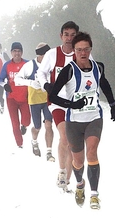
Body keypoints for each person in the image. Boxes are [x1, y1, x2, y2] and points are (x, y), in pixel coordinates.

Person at [49, 32, 115, 209]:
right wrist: (72, 104)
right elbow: (52, 95)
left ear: (90, 49)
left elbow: (104, 84)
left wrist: (113, 105)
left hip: (94, 118)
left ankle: (95, 195)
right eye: (79, 50)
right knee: (78, 161)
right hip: (73, 122)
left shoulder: (99, 67)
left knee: (92, 153)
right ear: (73, 51)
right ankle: (80, 184)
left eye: (86, 49)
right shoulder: (69, 70)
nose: (83, 53)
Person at [37, 21, 83, 190]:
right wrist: (46, 85)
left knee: (73, 142)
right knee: (65, 137)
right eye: (66, 34)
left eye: (73, 35)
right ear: (61, 36)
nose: (69, 38)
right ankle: (62, 171)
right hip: (56, 102)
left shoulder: (82, 53)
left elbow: (93, 72)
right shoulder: (52, 54)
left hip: (76, 103)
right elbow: (41, 72)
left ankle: (67, 179)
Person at [14, 42, 55, 160]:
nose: (48, 57)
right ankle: (34, 141)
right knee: (37, 127)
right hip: (34, 100)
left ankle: (49, 152)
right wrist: (31, 82)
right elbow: (17, 79)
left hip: (48, 99)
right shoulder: (30, 65)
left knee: (48, 125)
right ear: (40, 55)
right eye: (46, 55)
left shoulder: (52, 64)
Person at [0, 42, 31, 148]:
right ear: (11, 52)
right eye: (15, 51)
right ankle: (19, 143)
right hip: (11, 97)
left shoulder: (28, 64)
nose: (17, 53)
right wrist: (5, 85)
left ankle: (24, 126)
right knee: (14, 122)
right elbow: (0, 80)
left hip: (24, 97)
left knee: (27, 120)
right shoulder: (7, 65)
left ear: (22, 52)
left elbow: (35, 76)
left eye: (19, 51)